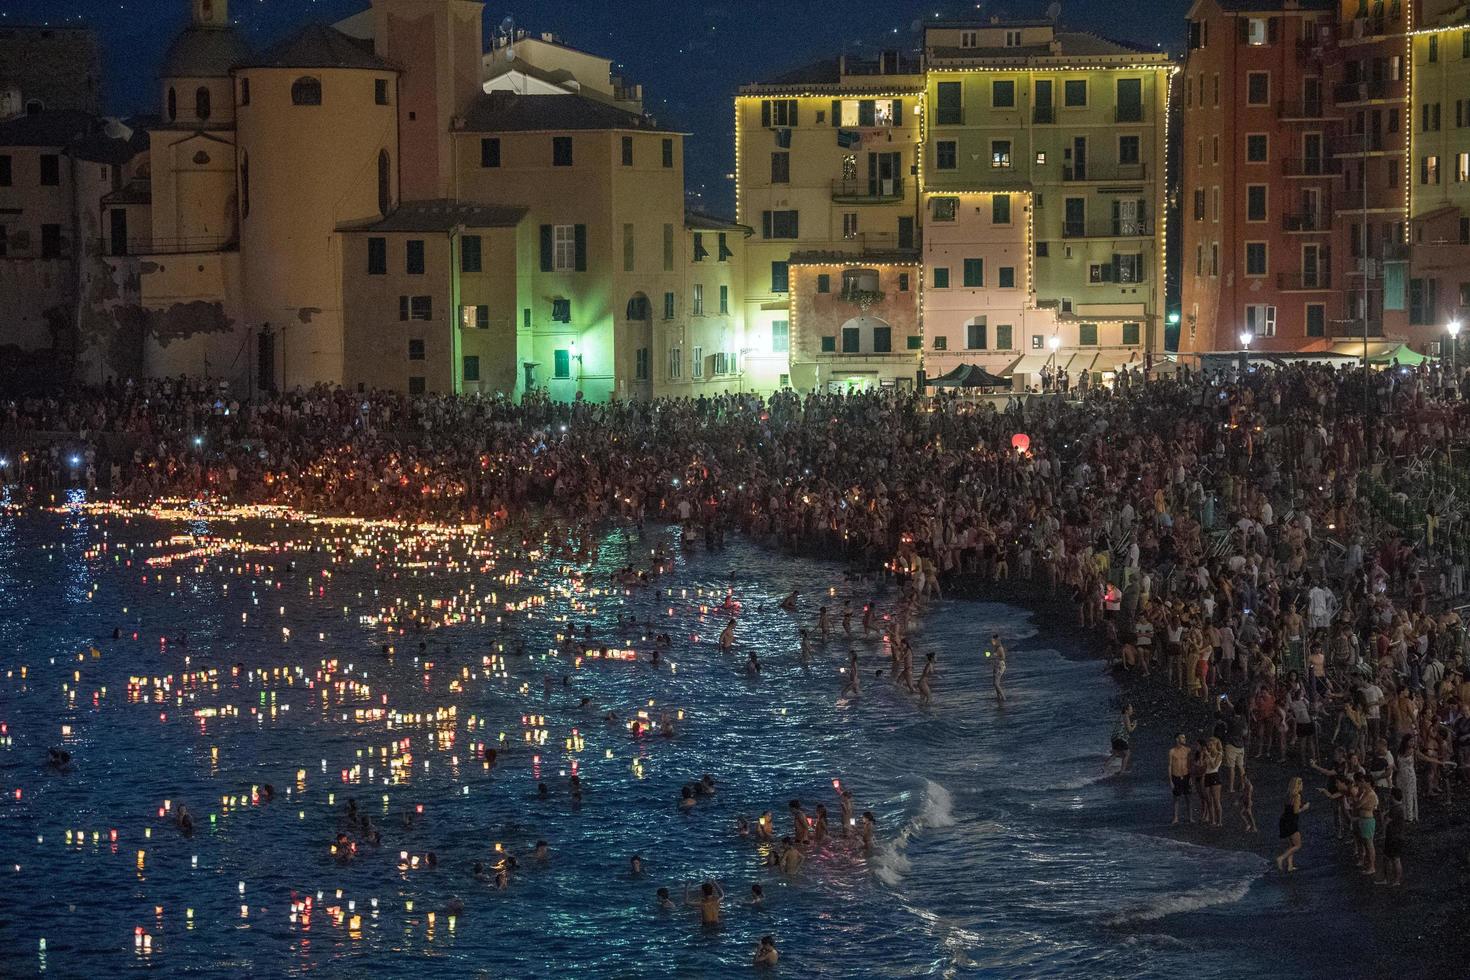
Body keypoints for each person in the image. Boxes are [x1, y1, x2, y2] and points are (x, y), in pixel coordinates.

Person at [1276, 776, 1309, 872]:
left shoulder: (1288, 794)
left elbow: (1289, 808)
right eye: (1301, 783)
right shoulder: (1297, 796)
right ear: (1298, 785)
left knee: (1291, 844)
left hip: (1284, 820)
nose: (1302, 785)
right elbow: (1296, 811)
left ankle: (1290, 866)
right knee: (1298, 845)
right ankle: (1281, 858)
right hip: (1291, 822)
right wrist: (1305, 807)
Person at [1168, 734, 1192, 825]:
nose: (1184, 739)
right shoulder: (1172, 751)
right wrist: (1170, 780)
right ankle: (1175, 817)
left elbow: (1190, 764)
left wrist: (1191, 777)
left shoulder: (1188, 750)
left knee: (1188, 798)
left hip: (1186, 775)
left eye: (1185, 737)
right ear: (1177, 739)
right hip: (1176, 776)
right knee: (1176, 798)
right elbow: (1170, 765)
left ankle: (1190, 817)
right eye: (1182, 737)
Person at [1106, 703, 1136, 775]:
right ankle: (1122, 772)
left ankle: (1104, 768)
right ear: (1126, 710)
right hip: (1120, 738)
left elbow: (1123, 727)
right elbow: (1129, 730)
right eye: (1131, 709)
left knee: (1115, 754)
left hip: (1114, 738)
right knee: (1127, 754)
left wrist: (1130, 725)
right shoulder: (1126, 716)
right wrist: (1134, 725)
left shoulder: (1121, 716)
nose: (1132, 710)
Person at [991, 633, 1008, 703]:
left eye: (993, 640)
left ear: (996, 640)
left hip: (1000, 666)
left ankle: (1004, 698)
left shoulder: (1000, 648)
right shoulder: (995, 647)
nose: (992, 641)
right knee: (995, 683)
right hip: (996, 665)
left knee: (996, 683)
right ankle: (998, 697)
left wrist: (995, 657)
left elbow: (1003, 657)